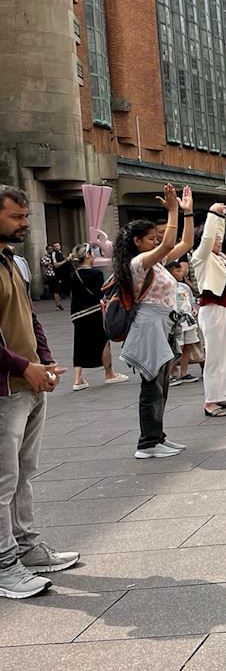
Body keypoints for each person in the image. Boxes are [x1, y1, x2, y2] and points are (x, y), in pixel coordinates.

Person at [0, 185, 78, 597]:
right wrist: (23, 367)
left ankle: (26, 548)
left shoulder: (11, 261)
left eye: (26, 215)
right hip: (6, 388)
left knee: (23, 474)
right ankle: (3, 564)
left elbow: (30, 317)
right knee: (3, 480)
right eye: (16, 216)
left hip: (29, 383)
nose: (25, 223)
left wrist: (44, 360)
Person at [114, 184, 194, 457]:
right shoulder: (137, 263)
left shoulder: (156, 263)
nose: (155, 242)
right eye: (150, 238)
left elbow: (185, 244)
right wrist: (172, 211)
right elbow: (169, 244)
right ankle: (147, 443)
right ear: (137, 242)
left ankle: (157, 437)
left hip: (163, 324)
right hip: (149, 326)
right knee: (152, 385)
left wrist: (187, 213)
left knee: (161, 384)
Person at [193, 203, 226, 416]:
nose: (219, 240)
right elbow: (207, 239)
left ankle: (221, 394)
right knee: (214, 355)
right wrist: (213, 213)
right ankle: (210, 400)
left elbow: (215, 238)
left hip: (224, 306)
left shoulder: (219, 258)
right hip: (212, 308)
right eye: (216, 237)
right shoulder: (200, 256)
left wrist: (220, 218)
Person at [65, 244, 127, 391]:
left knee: (79, 344)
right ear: (87, 255)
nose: (93, 256)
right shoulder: (96, 274)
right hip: (95, 311)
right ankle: (109, 374)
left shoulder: (73, 275)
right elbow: (101, 293)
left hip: (77, 314)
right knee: (103, 341)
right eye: (91, 254)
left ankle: (77, 378)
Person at [167, 259, 202, 387]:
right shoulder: (167, 288)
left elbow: (189, 301)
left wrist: (192, 309)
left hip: (188, 321)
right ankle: (170, 373)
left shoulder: (184, 287)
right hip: (175, 322)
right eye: (178, 271)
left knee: (187, 346)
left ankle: (184, 372)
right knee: (177, 348)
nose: (182, 273)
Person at [40, 243, 68, 309]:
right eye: (49, 249)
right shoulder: (45, 257)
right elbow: (44, 264)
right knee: (55, 289)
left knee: (58, 288)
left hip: (58, 274)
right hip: (51, 274)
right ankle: (58, 304)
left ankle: (60, 299)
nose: (51, 250)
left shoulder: (56, 255)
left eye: (51, 249)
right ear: (47, 250)